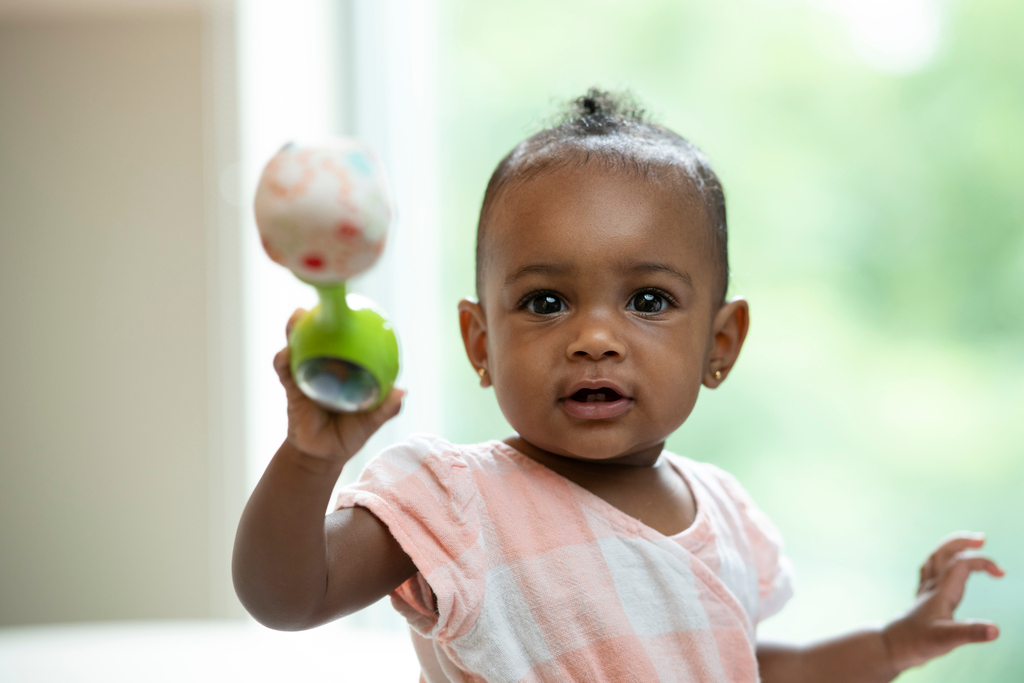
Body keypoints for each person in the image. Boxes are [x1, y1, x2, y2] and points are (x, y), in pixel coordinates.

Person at [232, 89, 1004, 682]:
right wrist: (309, 458)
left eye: (647, 300)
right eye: (545, 302)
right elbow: (288, 595)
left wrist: (892, 643)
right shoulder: (454, 502)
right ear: (481, 342)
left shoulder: (729, 516)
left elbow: (754, 667)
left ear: (720, 343)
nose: (594, 337)